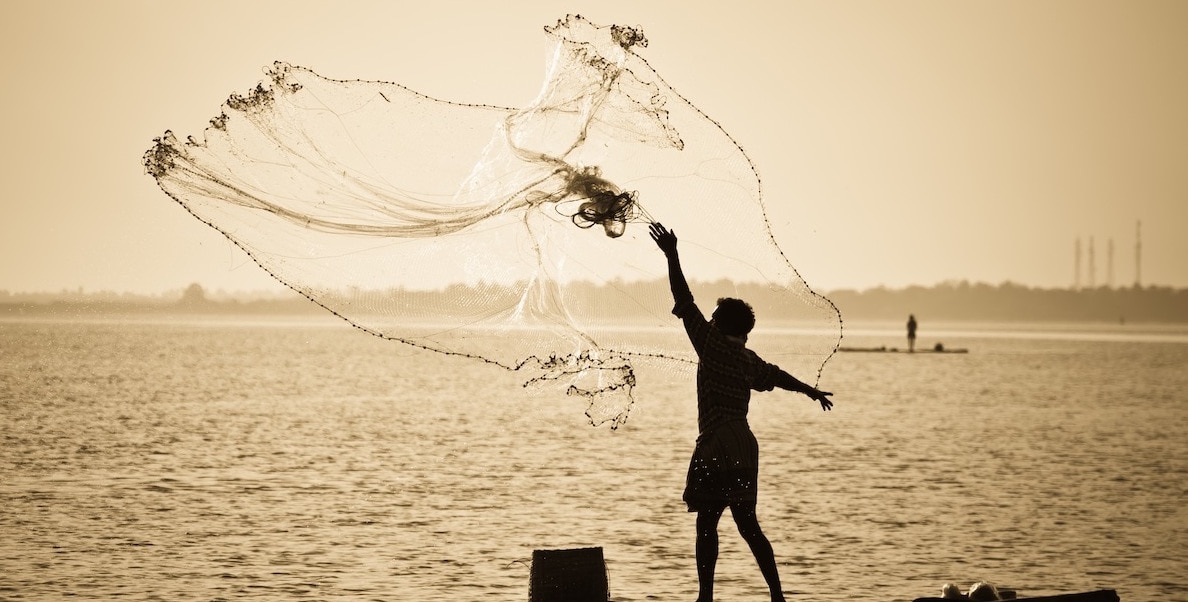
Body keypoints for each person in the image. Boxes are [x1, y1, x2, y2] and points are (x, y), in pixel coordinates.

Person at [648, 223, 834, 602]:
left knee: (706, 524)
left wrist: (671, 255)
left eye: (714, 318)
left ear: (720, 325)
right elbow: (778, 376)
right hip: (745, 445)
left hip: (717, 442)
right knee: (749, 525)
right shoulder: (748, 359)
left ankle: (705, 598)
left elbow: (684, 300)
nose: (710, 321)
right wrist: (810, 391)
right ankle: (777, 597)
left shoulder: (712, 345)